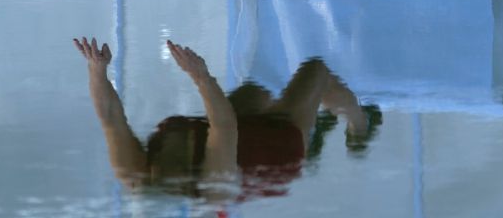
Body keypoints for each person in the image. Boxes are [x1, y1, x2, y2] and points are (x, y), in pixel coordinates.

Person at [72, 37, 381, 202]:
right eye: (172, 185)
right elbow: (225, 127)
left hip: (228, 135)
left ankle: (316, 123)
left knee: (258, 87)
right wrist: (201, 76)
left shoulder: (132, 175)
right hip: (274, 153)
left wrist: (96, 70)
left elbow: (111, 118)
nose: (167, 178)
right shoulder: (212, 187)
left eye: (162, 180)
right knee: (316, 73)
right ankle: (359, 124)